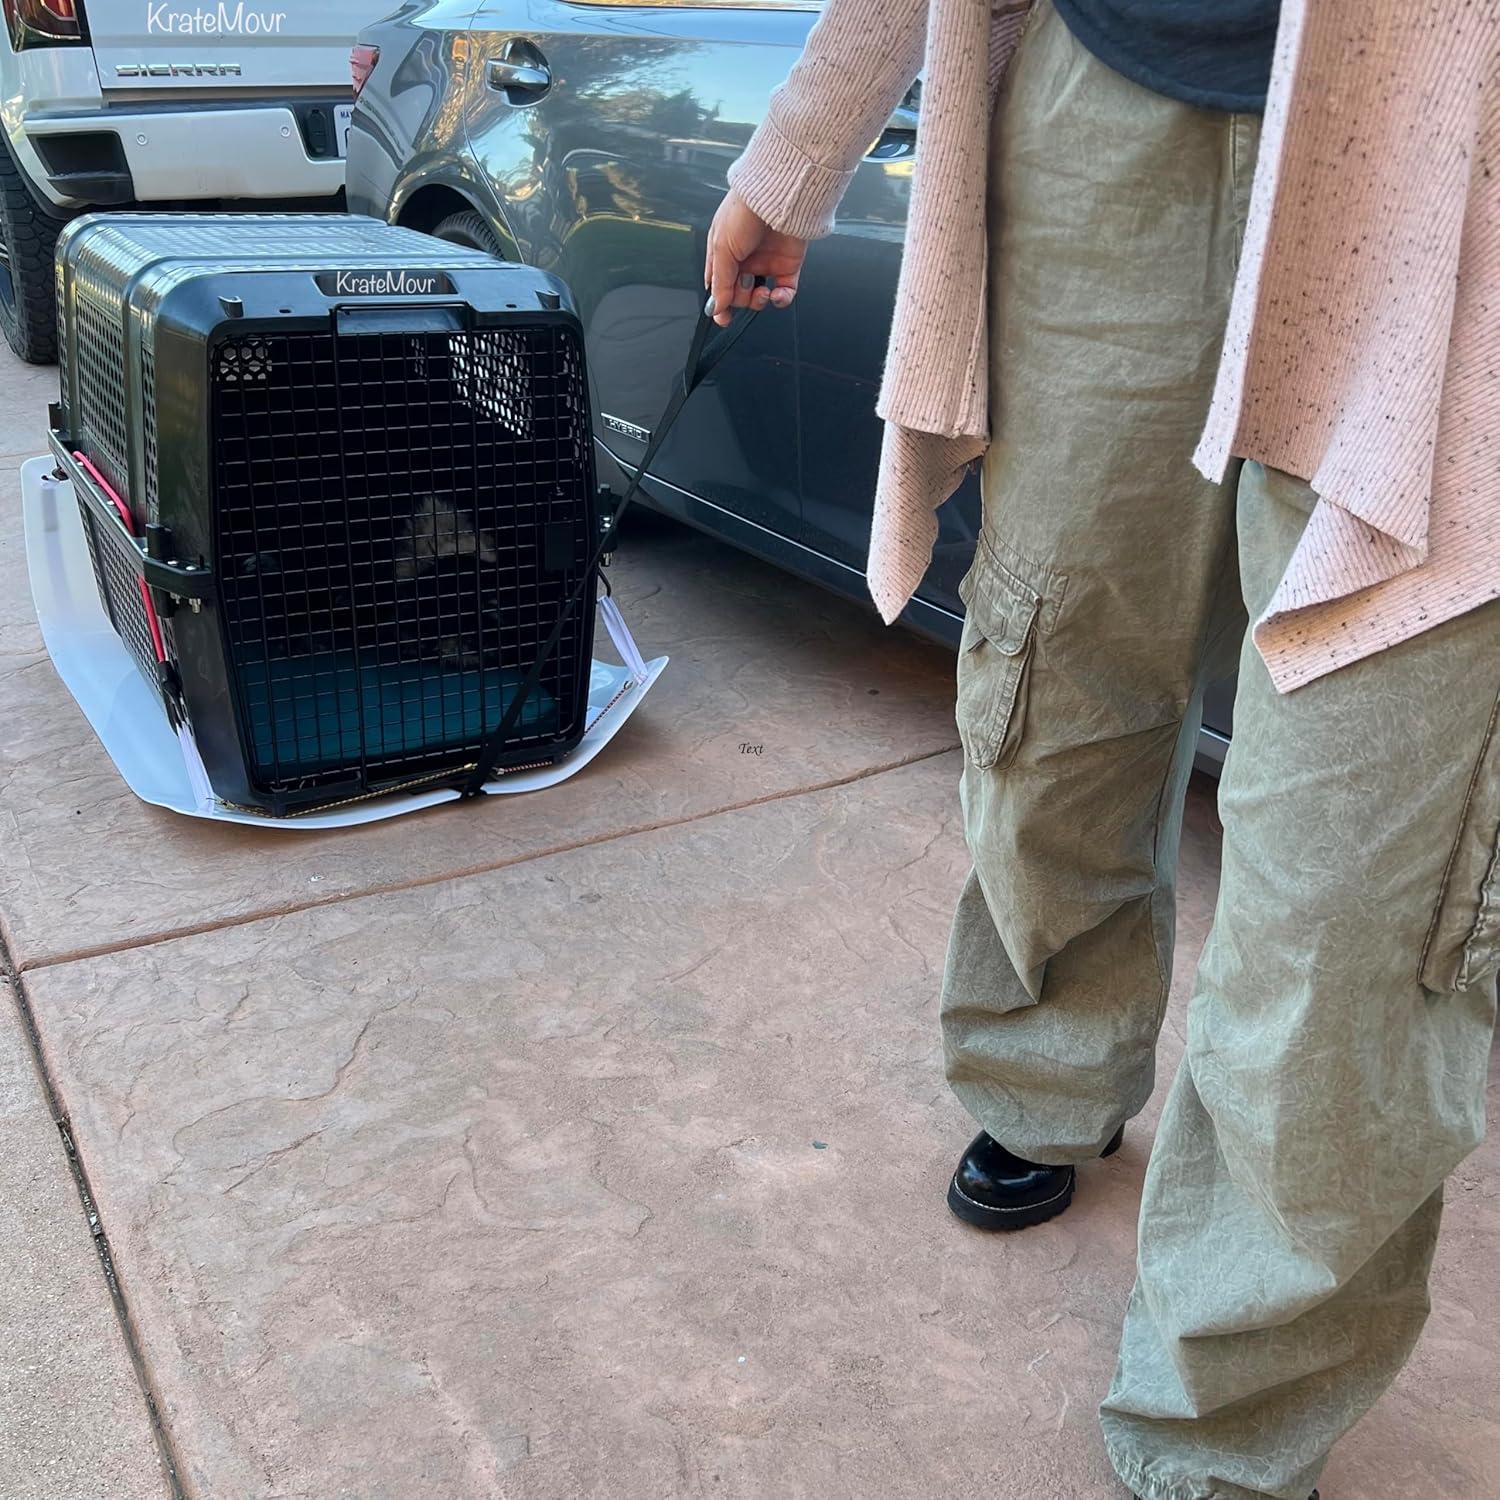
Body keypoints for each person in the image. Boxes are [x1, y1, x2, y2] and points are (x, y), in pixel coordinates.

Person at [705, 2, 1499, 1498]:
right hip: (1100, 114)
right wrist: (801, 146)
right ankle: (1047, 1067)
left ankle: (1235, 1413)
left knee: (1365, 854)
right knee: (1058, 668)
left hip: (1456, 140)